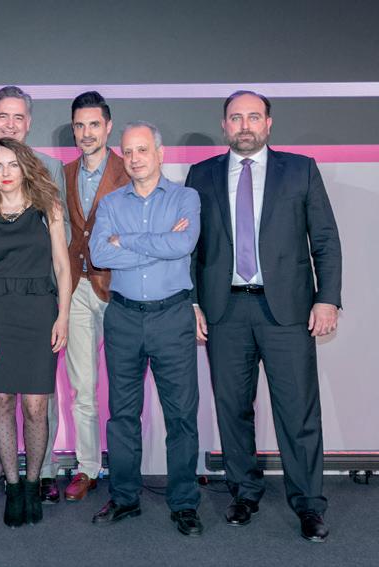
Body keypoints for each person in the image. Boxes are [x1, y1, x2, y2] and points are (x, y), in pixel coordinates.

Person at [186, 91, 342, 542]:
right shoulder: (201, 174)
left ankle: (309, 504)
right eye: (236, 118)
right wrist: (193, 302)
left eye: (253, 117)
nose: (244, 125)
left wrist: (327, 299)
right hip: (225, 310)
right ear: (224, 125)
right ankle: (244, 492)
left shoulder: (301, 169)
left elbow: (325, 240)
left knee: (298, 412)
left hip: (288, 312)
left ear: (268, 123)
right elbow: (190, 247)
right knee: (233, 409)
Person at [89, 122, 203, 537]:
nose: (135, 159)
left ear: (159, 153)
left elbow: (183, 245)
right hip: (122, 317)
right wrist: (156, 242)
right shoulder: (110, 202)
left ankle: (185, 503)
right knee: (122, 415)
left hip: (171, 317)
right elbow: (99, 255)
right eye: (128, 152)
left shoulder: (185, 197)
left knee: (181, 415)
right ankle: (124, 498)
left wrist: (127, 241)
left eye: (142, 150)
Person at [0, 85, 68, 504]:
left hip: (39, 307)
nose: (9, 124)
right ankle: (3, 478)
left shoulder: (49, 188)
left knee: (38, 403)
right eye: (3, 115)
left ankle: (38, 478)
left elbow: (61, 260)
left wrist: (62, 314)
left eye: (18, 117)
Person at [62, 91, 130, 501]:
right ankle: (87, 467)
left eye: (93, 125)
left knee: (123, 386)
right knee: (82, 388)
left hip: (117, 288)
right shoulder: (64, 173)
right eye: (79, 125)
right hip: (75, 289)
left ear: (108, 127)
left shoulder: (128, 168)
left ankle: (125, 467)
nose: (86, 133)